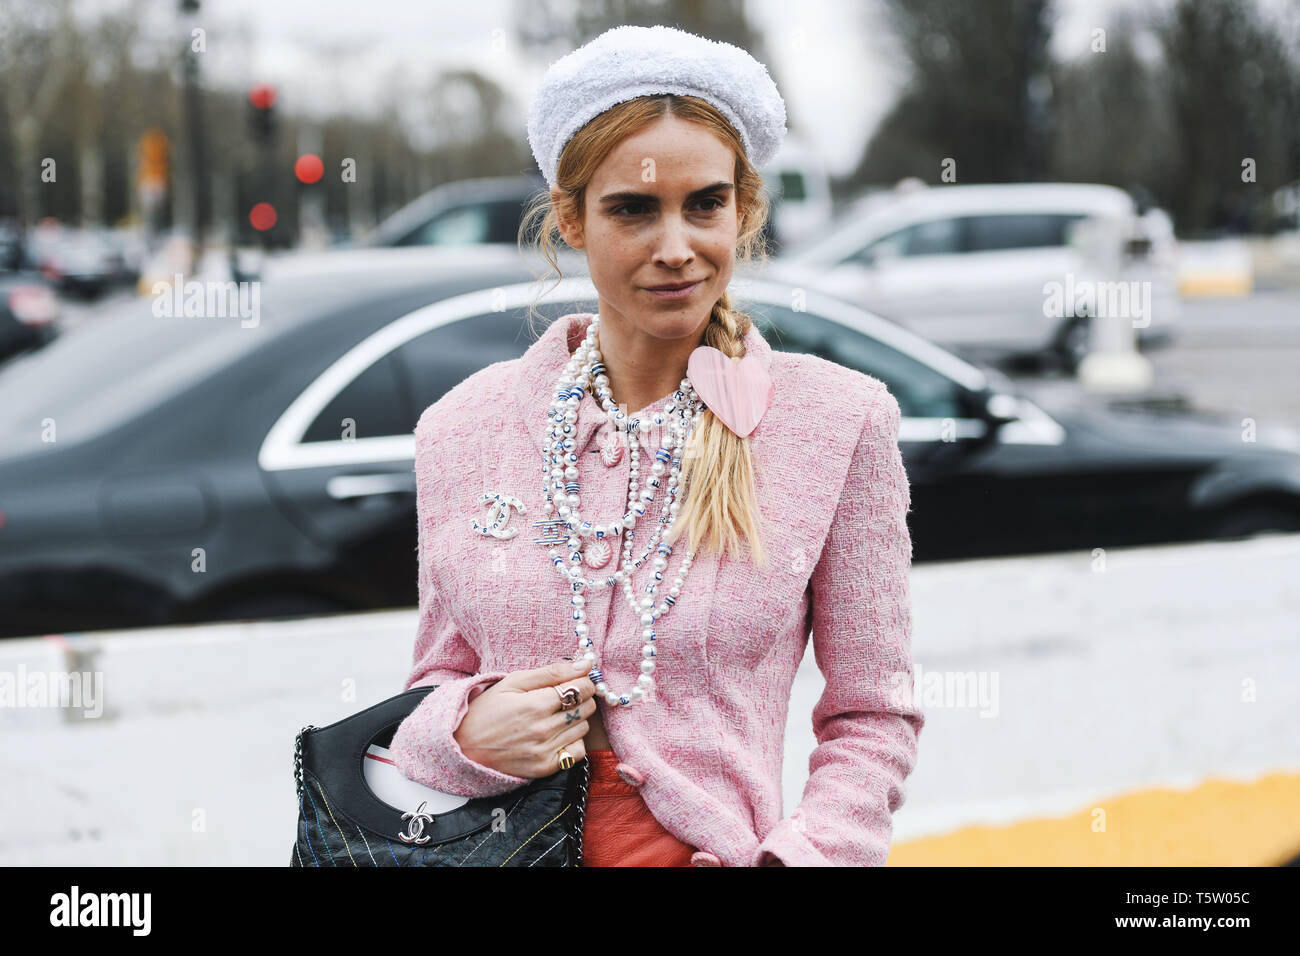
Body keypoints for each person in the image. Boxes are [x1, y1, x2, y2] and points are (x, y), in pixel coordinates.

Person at [388, 24, 924, 867]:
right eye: (634, 209)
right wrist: (461, 730)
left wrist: (802, 857)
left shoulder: (840, 422)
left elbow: (872, 712)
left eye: (705, 203)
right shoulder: (462, 429)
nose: (677, 248)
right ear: (570, 217)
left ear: (743, 208)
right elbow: (427, 687)